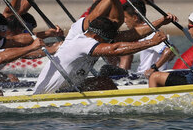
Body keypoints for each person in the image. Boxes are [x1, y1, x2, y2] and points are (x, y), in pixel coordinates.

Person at [32, 16, 166, 95]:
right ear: (96, 36)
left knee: (104, 82)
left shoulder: (95, 37)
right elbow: (115, 49)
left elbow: (128, 36)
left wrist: (160, 22)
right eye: (107, 41)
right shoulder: (82, 42)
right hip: (48, 95)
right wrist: (151, 42)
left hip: (68, 89)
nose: (108, 43)